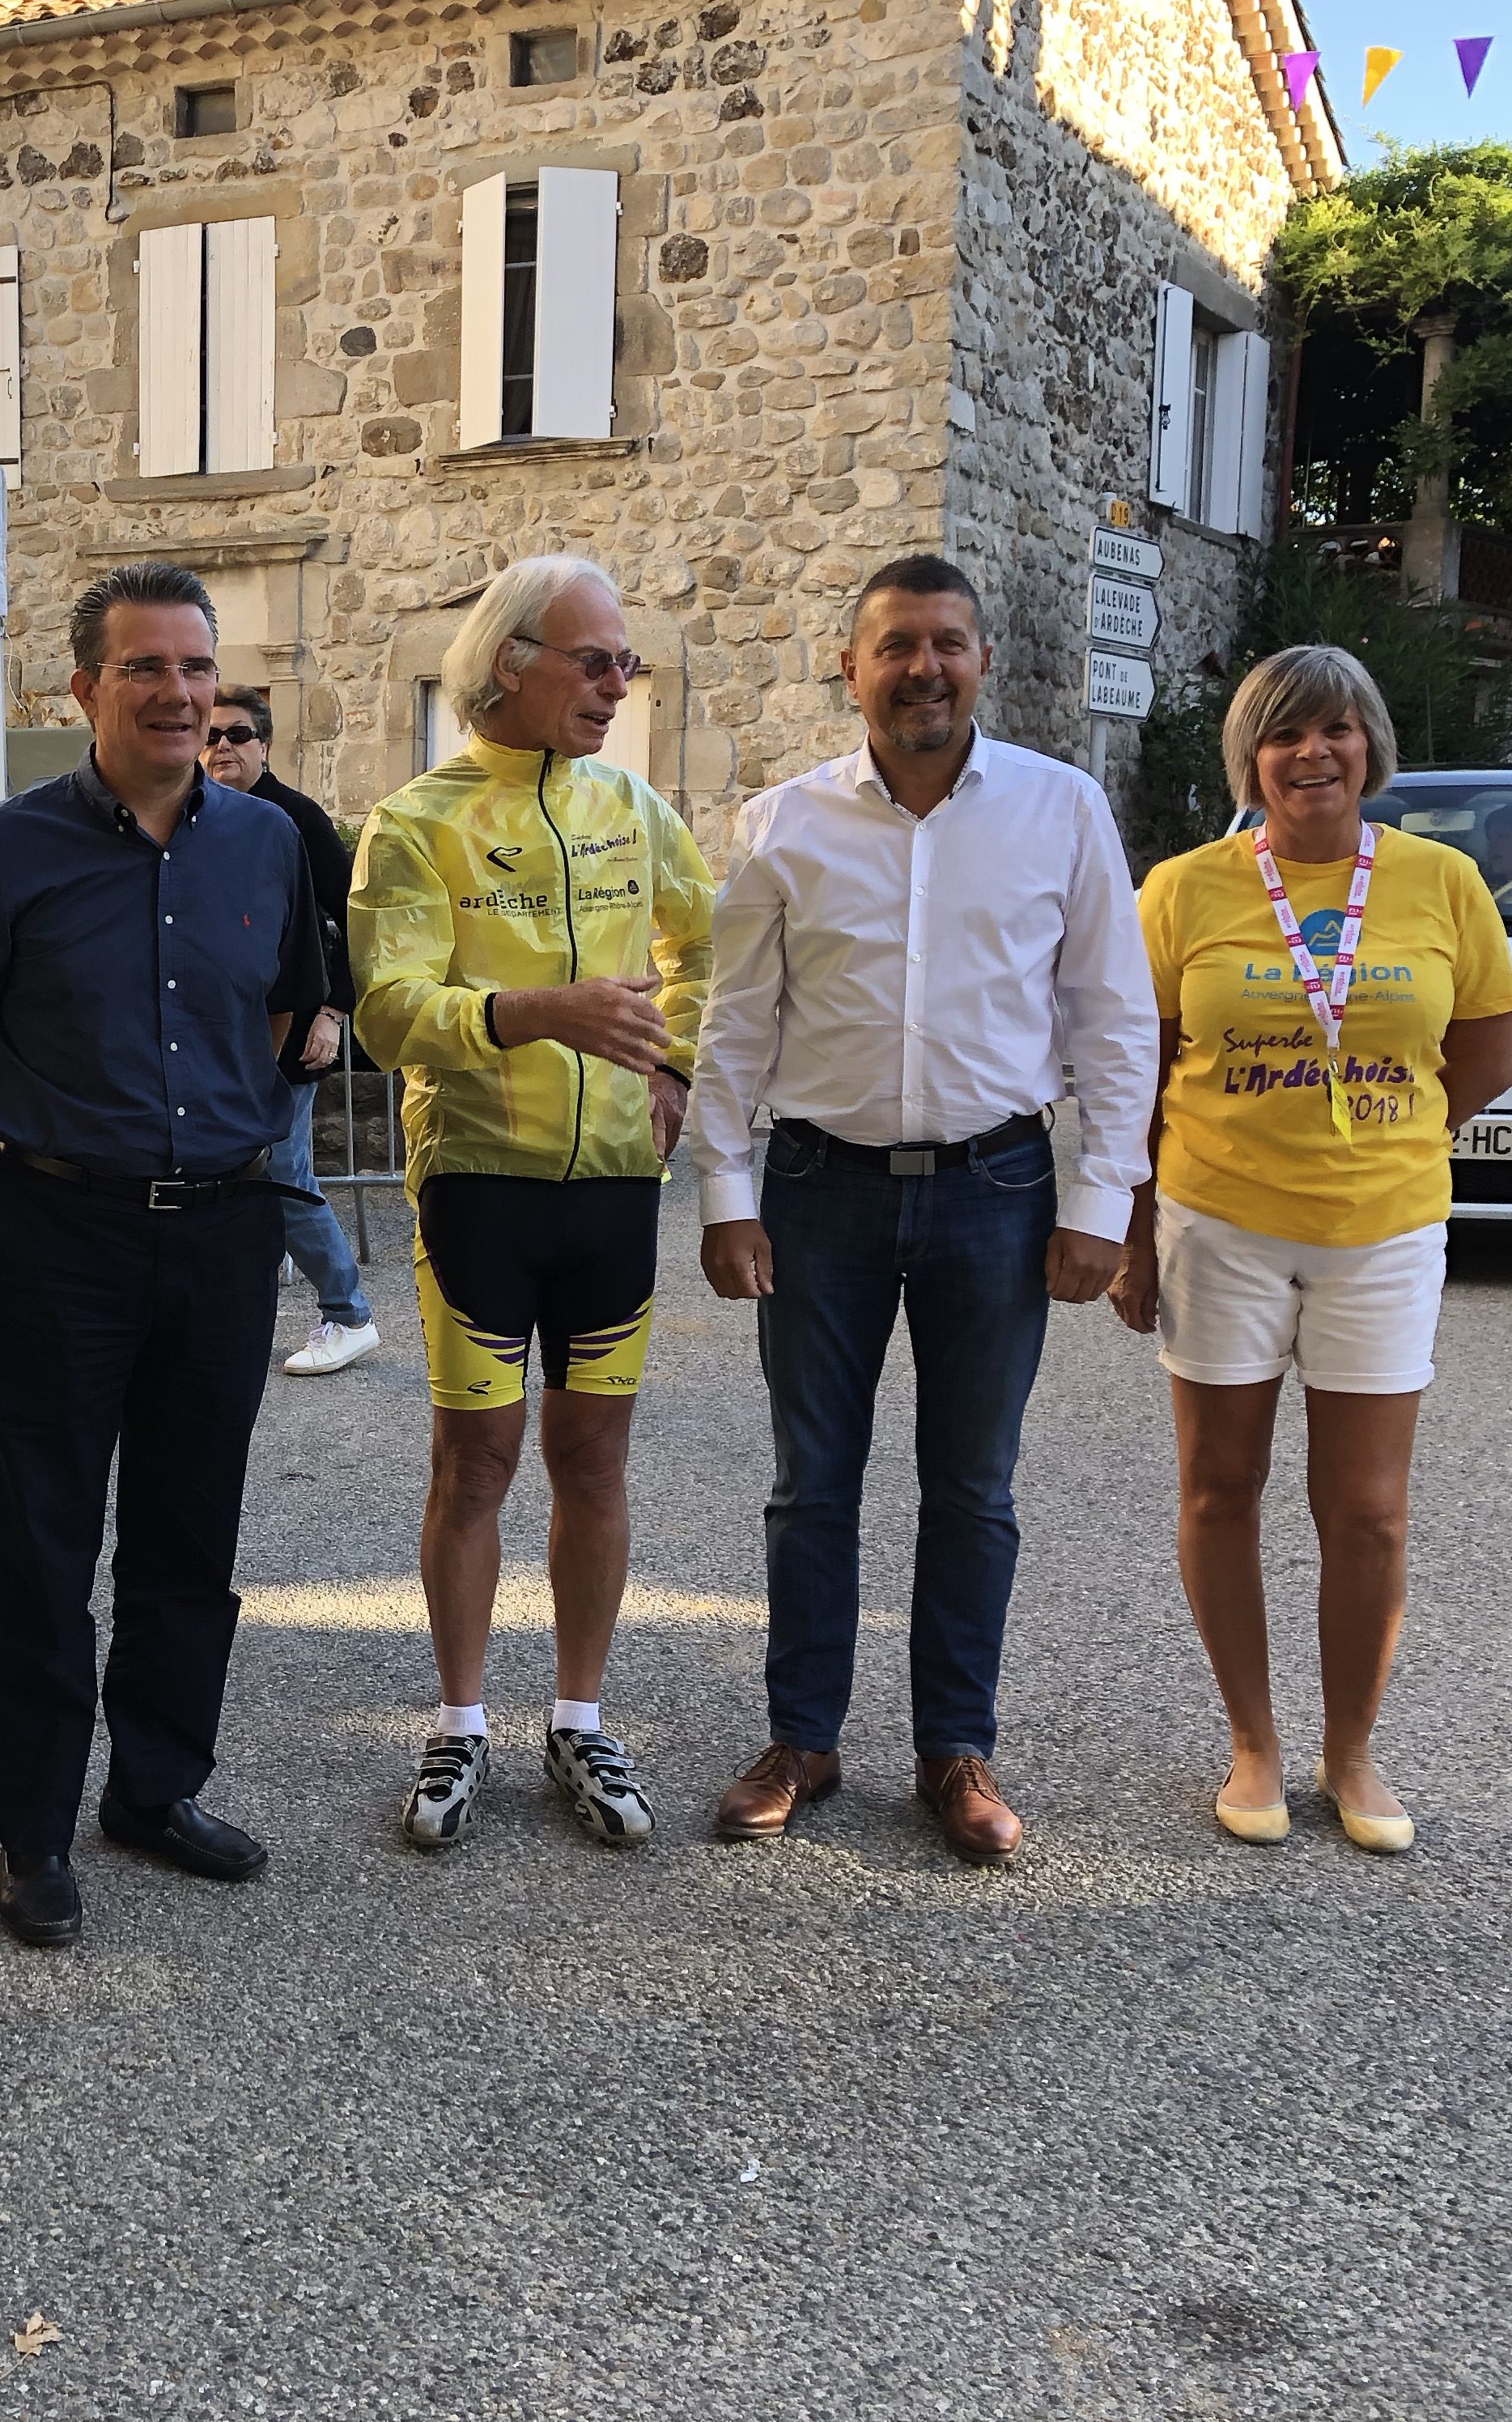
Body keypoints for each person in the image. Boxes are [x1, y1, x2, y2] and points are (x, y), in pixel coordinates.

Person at [691, 555, 1154, 1867]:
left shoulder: (1060, 812)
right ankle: (803, 1735)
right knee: (808, 1486)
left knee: (972, 1489)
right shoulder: (781, 823)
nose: (923, 667)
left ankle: (954, 1747)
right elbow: (736, 1026)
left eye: (946, 641)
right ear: (850, 669)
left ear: (981, 661)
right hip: (818, 1189)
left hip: (997, 1191)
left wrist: (1101, 1199)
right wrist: (727, 1193)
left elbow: (1112, 1018)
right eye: (895, 645)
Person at [0, 562, 324, 1949]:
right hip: (60, 1233)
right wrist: (72, 1144)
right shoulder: (5, 849)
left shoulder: (263, 843)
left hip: (224, 1226)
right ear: (84, 685)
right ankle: (33, 1831)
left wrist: (212, 1130)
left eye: (196, 668)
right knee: (39, 1539)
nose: (177, 692)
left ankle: (155, 1789)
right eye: (145, 667)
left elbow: (286, 1014)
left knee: (186, 1532)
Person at [1110, 644, 1512, 1853]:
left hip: (1383, 1233)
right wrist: (1132, 1242)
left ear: (1369, 747)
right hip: (1218, 1226)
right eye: (1284, 734)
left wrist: (1402, 1134)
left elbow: (1489, 1050)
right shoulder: (1184, 890)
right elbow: (1137, 1076)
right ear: (1252, 757)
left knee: (1369, 1511)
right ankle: (1254, 1746)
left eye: (1335, 729)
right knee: (1218, 1489)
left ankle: (1353, 1753)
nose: (1312, 753)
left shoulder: (1443, 884)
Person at [347, 555, 715, 1851]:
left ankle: (579, 1713)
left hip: (613, 1184)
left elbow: (701, 946)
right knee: (478, 1460)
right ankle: (457, 1722)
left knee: (594, 1459)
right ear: (510, 664)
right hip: (481, 1185)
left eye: (627, 663)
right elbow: (389, 1014)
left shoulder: (633, 805)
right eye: (595, 660)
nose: (618, 684)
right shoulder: (416, 822)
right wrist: (535, 1013)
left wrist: (672, 1066)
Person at [202, 685, 378, 1375]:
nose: (221, 747)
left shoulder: (298, 820)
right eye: (212, 734)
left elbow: (356, 927)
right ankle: (238, 1307)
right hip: (226, 1034)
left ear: (265, 744)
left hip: (296, 1034)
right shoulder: (196, 814)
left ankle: (348, 1313)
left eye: (238, 735)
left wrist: (333, 1013)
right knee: (232, 1170)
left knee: (284, 1171)